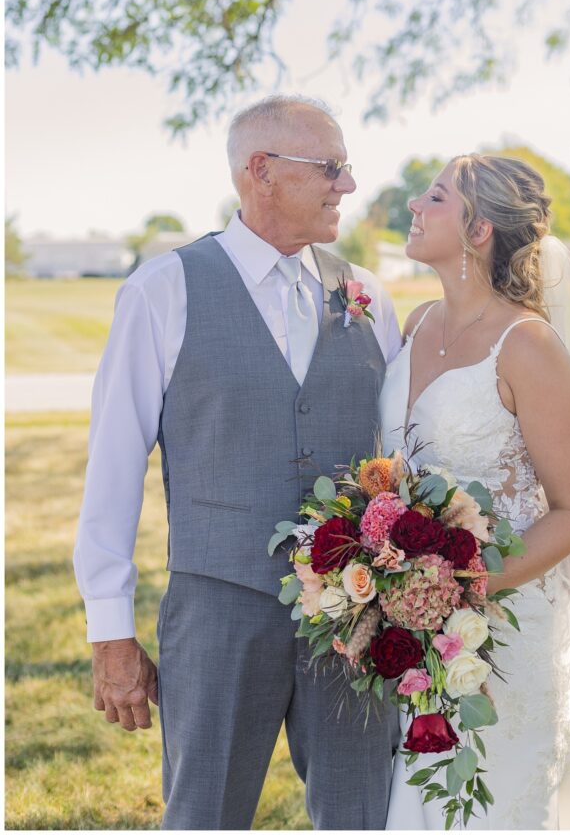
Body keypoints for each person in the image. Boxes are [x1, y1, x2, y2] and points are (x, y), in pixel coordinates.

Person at [74, 95, 402, 830]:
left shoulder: (368, 299)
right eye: (331, 168)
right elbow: (114, 469)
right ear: (261, 171)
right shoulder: (163, 291)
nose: (347, 186)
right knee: (205, 815)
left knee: (367, 815)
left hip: (354, 617)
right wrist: (111, 631)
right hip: (217, 608)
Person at [381, 154, 570, 831]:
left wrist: (462, 587)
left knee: (495, 801)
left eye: (435, 198)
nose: (415, 209)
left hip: (505, 622)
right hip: (416, 617)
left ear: (479, 231)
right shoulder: (416, 322)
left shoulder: (528, 345)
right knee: (427, 798)